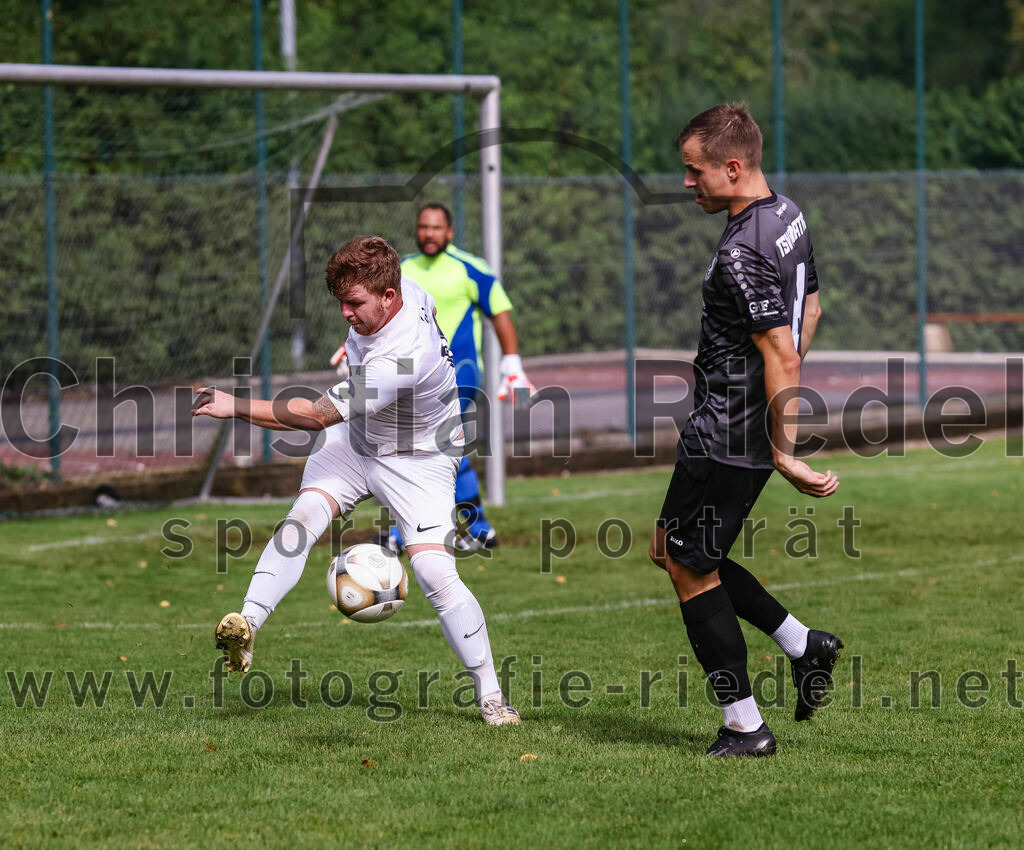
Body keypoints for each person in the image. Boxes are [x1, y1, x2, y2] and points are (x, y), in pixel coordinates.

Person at [194, 236, 520, 725]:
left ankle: (492, 696)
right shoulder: (403, 287)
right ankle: (248, 623)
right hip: (358, 440)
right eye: (340, 302)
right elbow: (382, 334)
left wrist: (233, 404)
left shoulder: (401, 361)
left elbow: (311, 417)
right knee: (303, 517)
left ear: (388, 297)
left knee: (434, 574)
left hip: (420, 460)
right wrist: (352, 348)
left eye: (354, 304)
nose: (345, 313)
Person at [648, 103, 843, 757]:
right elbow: (809, 309)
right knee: (677, 551)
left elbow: (781, 353)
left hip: (726, 434)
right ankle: (802, 644)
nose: (687, 182)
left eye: (694, 170)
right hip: (739, 427)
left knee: (684, 564)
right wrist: (775, 400)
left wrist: (784, 447)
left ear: (732, 167)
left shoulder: (741, 250)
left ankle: (745, 727)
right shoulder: (788, 216)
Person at [344, 204, 533, 554]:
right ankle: (474, 529)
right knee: (435, 446)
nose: (429, 233)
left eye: (436, 228)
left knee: (427, 444)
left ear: (449, 232)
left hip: (458, 374)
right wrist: (353, 348)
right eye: (423, 227)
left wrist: (513, 364)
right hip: (405, 377)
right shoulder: (403, 270)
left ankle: (416, 533)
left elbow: (500, 314)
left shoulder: (470, 268)